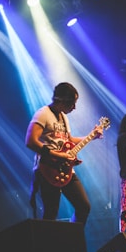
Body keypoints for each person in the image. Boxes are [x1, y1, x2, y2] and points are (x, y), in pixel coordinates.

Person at [25, 82, 103, 225]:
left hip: (65, 168)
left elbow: (69, 140)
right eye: (72, 103)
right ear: (61, 100)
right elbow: (30, 141)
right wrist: (57, 155)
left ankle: (72, 236)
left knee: (84, 206)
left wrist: (91, 136)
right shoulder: (43, 114)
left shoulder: (63, 117)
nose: (74, 107)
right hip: (47, 168)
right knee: (51, 213)